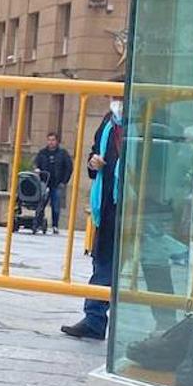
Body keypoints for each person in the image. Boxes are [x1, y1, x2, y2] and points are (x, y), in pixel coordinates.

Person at [61, 101, 124, 340]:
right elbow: (94, 151)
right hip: (108, 201)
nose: (114, 102)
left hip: (138, 203)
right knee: (103, 261)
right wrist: (93, 162)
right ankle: (94, 318)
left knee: (149, 267)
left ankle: (164, 322)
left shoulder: (148, 117)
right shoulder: (109, 121)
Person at [33, 132, 73, 234]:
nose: (51, 142)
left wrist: (64, 181)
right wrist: (37, 169)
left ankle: (55, 225)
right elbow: (36, 163)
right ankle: (38, 224)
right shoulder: (42, 153)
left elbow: (69, 167)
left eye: (53, 140)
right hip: (44, 183)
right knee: (41, 204)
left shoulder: (62, 153)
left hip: (57, 183)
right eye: (49, 140)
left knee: (56, 206)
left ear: (57, 141)